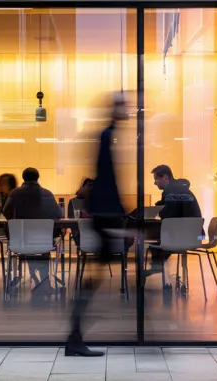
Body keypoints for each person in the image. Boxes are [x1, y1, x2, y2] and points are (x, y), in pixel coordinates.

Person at [66, 92, 128, 357]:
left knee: (97, 275)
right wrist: (117, 212)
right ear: (116, 109)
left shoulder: (110, 135)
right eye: (124, 106)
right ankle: (74, 335)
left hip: (105, 212)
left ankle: (75, 335)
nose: (128, 111)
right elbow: (106, 176)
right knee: (96, 276)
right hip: (106, 214)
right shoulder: (108, 135)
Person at [3, 167, 61, 293]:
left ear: (23, 178)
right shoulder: (47, 194)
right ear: (37, 177)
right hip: (43, 241)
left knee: (28, 245)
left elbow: (6, 212)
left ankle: (38, 279)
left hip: (20, 241)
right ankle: (43, 281)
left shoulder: (14, 194)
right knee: (40, 247)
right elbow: (58, 214)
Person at [147, 165, 202, 277]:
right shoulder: (184, 190)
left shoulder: (170, 192)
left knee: (154, 240)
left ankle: (156, 267)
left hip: (182, 237)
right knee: (160, 240)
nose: (155, 183)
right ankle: (159, 266)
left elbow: (168, 217)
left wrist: (159, 208)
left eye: (156, 179)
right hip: (196, 236)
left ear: (165, 178)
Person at [68, 178, 93, 247]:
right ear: (82, 187)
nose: (91, 188)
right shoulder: (73, 202)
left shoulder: (95, 202)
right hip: (80, 234)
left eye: (92, 186)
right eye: (89, 185)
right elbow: (71, 220)